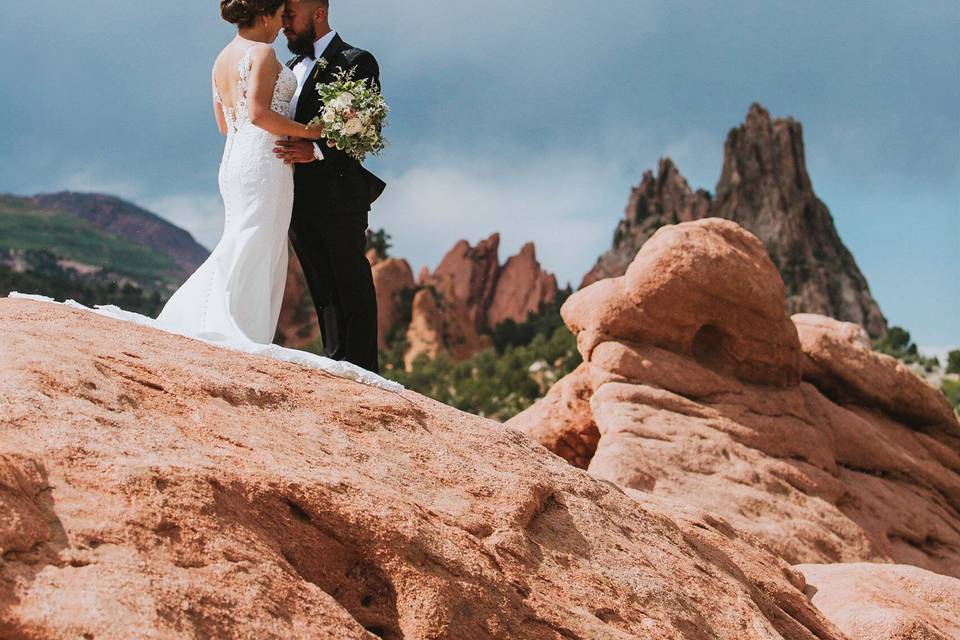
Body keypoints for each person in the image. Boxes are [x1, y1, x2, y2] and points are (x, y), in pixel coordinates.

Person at [157, 0, 322, 345]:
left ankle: (224, 321)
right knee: (257, 242)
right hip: (265, 159)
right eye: (279, 16)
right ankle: (235, 329)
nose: (281, 25)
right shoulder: (261, 53)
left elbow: (224, 124)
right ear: (264, 15)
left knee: (246, 238)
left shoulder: (220, 60)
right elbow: (259, 114)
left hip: (235, 158)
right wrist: (311, 132)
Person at [274, 0, 386, 374]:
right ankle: (336, 365)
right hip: (297, 199)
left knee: (350, 282)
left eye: (291, 14)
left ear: (318, 13)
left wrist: (316, 151)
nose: (284, 22)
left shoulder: (355, 61)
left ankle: (365, 370)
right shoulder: (291, 68)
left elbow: (366, 130)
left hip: (339, 197)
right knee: (321, 288)